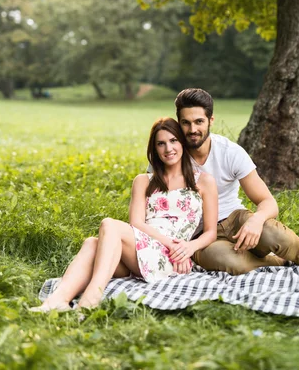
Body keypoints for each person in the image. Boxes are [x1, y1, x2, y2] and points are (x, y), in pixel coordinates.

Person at [29, 117, 218, 312]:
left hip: (171, 257)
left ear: (182, 143)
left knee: (109, 224)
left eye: (173, 141)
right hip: (141, 248)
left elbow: (210, 232)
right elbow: (136, 223)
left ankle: (90, 300)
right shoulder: (143, 181)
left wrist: (187, 248)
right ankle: (56, 301)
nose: (168, 148)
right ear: (154, 149)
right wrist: (168, 242)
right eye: (161, 143)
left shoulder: (204, 182)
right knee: (91, 243)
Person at [170, 88, 299, 275]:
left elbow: (268, 202)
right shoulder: (168, 154)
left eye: (199, 122)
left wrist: (256, 220)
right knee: (229, 261)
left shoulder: (230, 152)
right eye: (185, 123)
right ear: (178, 123)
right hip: (200, 235)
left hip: (234, 219)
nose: (192, 130)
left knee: (275, 235)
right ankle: (278, 261)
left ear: (210, 120)